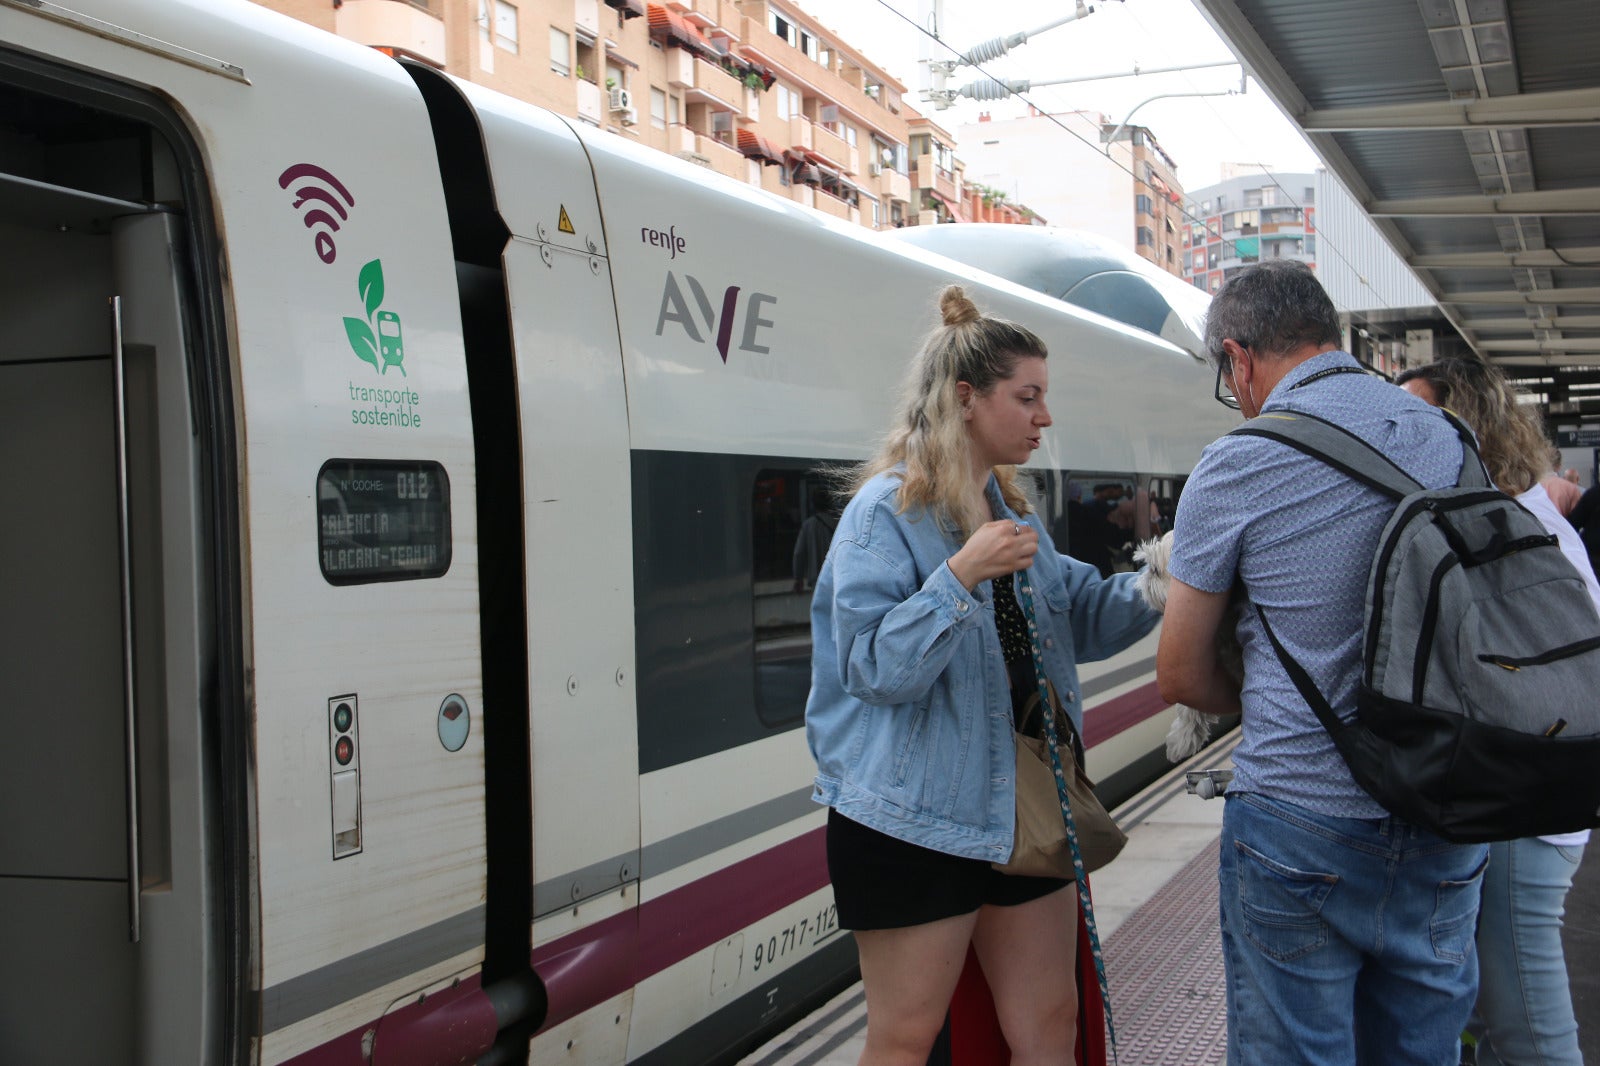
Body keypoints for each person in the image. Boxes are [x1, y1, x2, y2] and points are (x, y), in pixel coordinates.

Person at [805, 285, 1160, 1066]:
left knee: (1049, 1023)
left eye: (1044, 397)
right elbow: (867, 667)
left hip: (1018, 812)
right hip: (909, 821)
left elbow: (1088, 615)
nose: (1044, 416)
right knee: (905, 1035)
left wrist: (1169, 577)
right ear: (966, 398)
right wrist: (957, 579)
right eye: (1026, 397)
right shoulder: (883, 515)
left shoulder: (1012, 514)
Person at [1154, 261, 1489, 1065]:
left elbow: (1181, 673)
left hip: (1298, 825)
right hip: (1444, 810)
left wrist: (1273, 693)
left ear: (1238, 358)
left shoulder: (1238, 462)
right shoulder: (1449, 439)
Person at [1397, 359, 1596, 1066]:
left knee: (1526, 1025)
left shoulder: (1506, 526)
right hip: (1528, 796)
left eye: (1415, 419)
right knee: (1487, 1013)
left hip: (1523, 804)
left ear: (1468, 431)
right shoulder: (1522, 515)